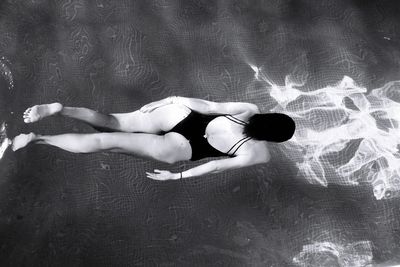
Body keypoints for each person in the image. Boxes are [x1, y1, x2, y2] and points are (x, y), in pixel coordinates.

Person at [12, 96, 296, 180]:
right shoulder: (259, 153)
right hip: (181, 147)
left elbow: (208, 107)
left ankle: (63, 108)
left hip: (179, 113)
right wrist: (177, 178)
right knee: (106, 143)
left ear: (269, 118)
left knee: (112, 122)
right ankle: (39, 139)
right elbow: (217, 166)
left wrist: (171, 98)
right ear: (274, 139)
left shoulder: (250, 110)